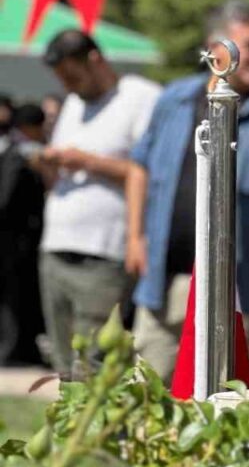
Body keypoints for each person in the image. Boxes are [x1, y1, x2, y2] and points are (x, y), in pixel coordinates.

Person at [126, 0, 249, 382]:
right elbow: (139, 166)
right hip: (166, 279)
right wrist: (134, 237)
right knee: (148, 399)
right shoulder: (174, 100)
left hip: (239, 289)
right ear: (216, 48)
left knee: (230, 402)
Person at [36, 30, 161, 378]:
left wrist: (88, 161)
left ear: (95, 59)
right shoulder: (74, 104)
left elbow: (149, 173)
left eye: (73, 76)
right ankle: (73, 431)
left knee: (95, 364)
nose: (69, 87)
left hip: (104, 253)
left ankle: (102, 432)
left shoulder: (141, 97)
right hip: (56, 246)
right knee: (64, 365)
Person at [0, 104, 48, 365]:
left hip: (16, 242)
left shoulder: (16, 157)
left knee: (13, 299)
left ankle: (11, 352)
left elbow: (6, 200)